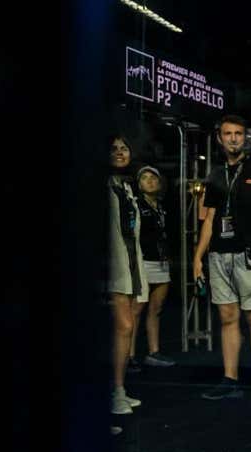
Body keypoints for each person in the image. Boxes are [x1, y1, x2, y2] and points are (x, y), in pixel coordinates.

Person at [192, 114, 251, 402]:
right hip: (219, 254)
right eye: (228, 133)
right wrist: (197, 257)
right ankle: (229, 377)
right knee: (227, 317)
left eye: (238, 133)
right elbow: (209, 219)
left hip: (250, 253)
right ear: (220, 138)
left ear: (246, 137)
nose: (233, 138)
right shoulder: (216, 174)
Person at [107, 136, 148, 415]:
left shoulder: (126, 186)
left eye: (125, 147)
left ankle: (118, 390)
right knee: (122, 326)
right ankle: (112, 393)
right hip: (110, 267)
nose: (120, 152)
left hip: (129, 263)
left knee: (126, 327)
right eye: (114, 149)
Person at [130, 165, 176, 368]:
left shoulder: (162, 207)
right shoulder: (135, 205)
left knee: (156, 309)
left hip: (162, 262)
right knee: (136, 310)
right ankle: (129, 355)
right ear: (139, 184)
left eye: (153, 178)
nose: (150, 181)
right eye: (145, 178)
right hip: (143, 261)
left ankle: (154, 352)